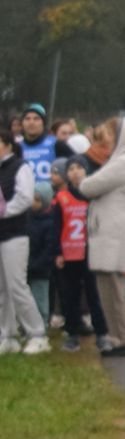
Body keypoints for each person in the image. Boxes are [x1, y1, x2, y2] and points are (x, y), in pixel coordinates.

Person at [78, 117, 125, 356]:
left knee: (113, 288)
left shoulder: (123, 163)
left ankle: (124, 337)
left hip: (112, 230)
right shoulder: (121, 161)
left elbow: (88, 187)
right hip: (110, 228)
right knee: (108, 285)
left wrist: (81, 179)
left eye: (111, 134)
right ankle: (118, 335)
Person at [0, 124, 51, 355]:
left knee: (17, 285)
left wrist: (4, 212)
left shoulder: (20, 167)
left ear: (8, 144)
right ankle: (8, 335)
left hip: (15, 235)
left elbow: (24, 198)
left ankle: (37, 334)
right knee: (2, 289)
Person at [54, 161, 106, 349]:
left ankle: (101, 332)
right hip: (69, 252)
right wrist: (58, 252)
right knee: (71, 295)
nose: (75, 173)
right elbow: (56, 226)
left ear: (87, 171)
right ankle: (72, 333)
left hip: (90, 251)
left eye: (79, 168)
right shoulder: (61, 197)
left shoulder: (94, 196)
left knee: (94, 293)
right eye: (71, 169)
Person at [26, 182, 56, 330]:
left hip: (41, 269)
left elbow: (49, 249)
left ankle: (42, 324)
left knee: (40, 299)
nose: (33, 202)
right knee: (26, 299)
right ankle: (26, 325)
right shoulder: (27, 218)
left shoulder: (50, 222)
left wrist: (37, 264)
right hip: (26, 266)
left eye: (37, 200)